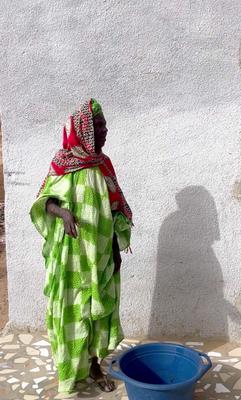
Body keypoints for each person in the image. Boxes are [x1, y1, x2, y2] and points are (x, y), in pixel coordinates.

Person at [30, 99, 132, 393]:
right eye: (99, 125)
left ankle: (94, 364)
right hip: (71, 256)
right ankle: (69, 370)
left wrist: (115, 246)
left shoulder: (104, 165)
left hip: (98, 253)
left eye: (104, 125)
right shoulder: (61, 164)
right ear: (84, 129)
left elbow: (116, 208)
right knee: (72, 309)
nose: (105, 130)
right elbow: (43, 201)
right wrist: (62, 213)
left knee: (96, 309)